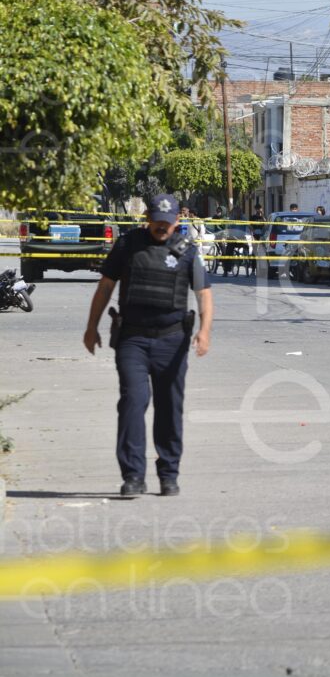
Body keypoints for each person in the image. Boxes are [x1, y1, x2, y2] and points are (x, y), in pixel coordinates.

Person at [82, 194, 213, 498]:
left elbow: (203, 294)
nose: (161, 228)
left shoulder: (187, 252)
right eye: (156, 221)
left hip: (172, 339)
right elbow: (105, 286)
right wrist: (91, 327)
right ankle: (133, 476)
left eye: (167, 223)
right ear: (148, 218)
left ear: (177, 221)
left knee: (169, 407)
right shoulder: (128, 245)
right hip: (133, 339)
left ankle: (168, 474)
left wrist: (204, 332)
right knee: (132, 400)